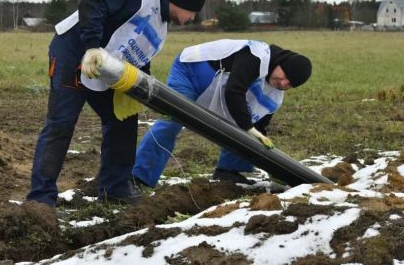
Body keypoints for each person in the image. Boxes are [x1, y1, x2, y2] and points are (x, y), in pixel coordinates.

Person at [27, 0, 206, 207]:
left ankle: (115, 190)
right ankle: (41, 199)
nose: (192, 18)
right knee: (60, 125)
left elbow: (139, 59)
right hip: (73, 54)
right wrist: (91, 46)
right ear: (181, 2)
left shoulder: (160, 29)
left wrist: (147, 93)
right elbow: (92, 4)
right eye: (192, 12)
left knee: (124, 121)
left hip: (104, 68)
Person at [132, 39, 312, 187]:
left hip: (218, 87)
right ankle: (139, 177)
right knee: (173, 120)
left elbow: (257, 125)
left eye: (290, 84)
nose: (284, 83)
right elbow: (234, 91)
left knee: (248, 129)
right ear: (280, 63)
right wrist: (248, 126)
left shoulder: (275, 96)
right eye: (285, 75)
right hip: (191, 73)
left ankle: (228, 171)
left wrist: (258, 140)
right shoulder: (257, 55)